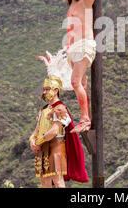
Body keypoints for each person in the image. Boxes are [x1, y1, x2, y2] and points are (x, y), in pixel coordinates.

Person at [58, 0, 117, 133]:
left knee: (75, 82)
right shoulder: (71, 3)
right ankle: (86, 118)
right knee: (82, 84)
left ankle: (85, 119)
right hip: (73, 48)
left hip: (84, 44)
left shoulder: (85, 1)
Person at [29, 54, 88, 187]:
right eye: (44, 89)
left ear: (55, 90)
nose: (45, 92)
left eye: (47, 89)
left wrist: (37, 142)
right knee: (44, 181)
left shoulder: (60, 109)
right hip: (42, 147)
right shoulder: (44, 109)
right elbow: (36, 130)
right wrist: (32, 140)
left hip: (55, 146)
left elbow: (54, 131)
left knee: (57, 179)